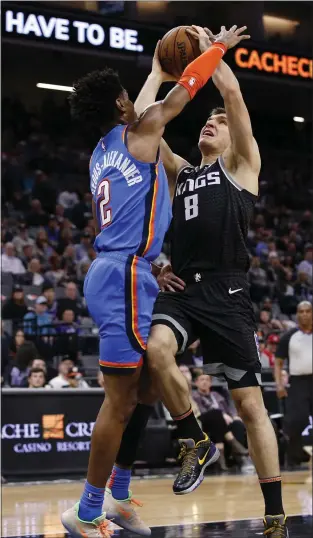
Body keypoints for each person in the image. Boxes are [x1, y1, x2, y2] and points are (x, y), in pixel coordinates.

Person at [62, 26, 242, 538]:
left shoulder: (104, 150)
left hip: (130, 269)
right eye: (126, 99)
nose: (133, 102)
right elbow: (185, 91)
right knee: (118, 402)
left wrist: (151, 263)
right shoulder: (139, 135)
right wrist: (215, 50)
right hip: (121, 276)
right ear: (122, 110)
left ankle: (118, 497)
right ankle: (87, 510)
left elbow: (139, 112)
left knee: (140, 392)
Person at [130, 25, 287, 536]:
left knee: (249, 405)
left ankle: (274, 511)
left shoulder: (242, 167)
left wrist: (209, 50)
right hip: (185, 290)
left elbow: (233, 93)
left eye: (218, 124)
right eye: (206, 123)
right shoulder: (181, 172)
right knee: (155, 352)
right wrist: (156, 74)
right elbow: (140, 126)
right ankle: (193, 439)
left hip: (230, 293)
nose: (210, 124)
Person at [275, 301, 312, 466]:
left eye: (307, 311)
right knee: (298, 419)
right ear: (297, 314)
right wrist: (279, 385)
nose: (304, 314)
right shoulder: (288, 336)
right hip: (298, 382)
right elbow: (278, 363)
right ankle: (296, 457)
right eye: (301, 311)